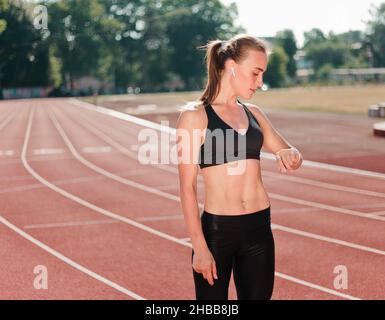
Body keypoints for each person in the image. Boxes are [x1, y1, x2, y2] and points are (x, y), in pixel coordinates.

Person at [176, 34, 303, 300]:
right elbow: (187, 187)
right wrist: (199, 246)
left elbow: (286, 150)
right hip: (217, 234)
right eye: (255, 73)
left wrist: (292, 154)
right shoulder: (195, 116)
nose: (260, 82)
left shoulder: (254, 113)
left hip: (259, 230)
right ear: (232, 65)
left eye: (262, 74)